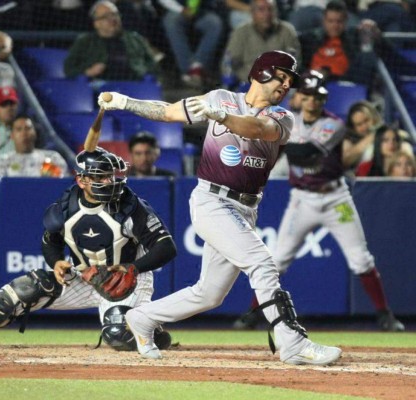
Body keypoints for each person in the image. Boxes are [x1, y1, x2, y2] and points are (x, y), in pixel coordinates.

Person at [97, 50, 343, 365]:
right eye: (281, 76)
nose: (286, 85)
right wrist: (124, 102)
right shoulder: (221, 97)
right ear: (261, 73)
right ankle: (292, 342)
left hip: (245, 207)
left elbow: (256, 129)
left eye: (289, 80)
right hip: (211, 199)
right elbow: (169, 112)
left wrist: (220, 115)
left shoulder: (283, 117)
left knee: (209, 294)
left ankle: (142, 318)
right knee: (262, 263)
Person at [0, 146, 177, 352]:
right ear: (81, 180)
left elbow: (166, 247)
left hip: (126, 280)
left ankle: (152, 331)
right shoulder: (66, 206)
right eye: (100, 177)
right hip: (86, 277)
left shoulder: (130, 206)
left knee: (118, 336)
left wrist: (132, 267)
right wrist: (57, 262)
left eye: (110, 175)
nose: (109, 181)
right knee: (30, 286)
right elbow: (51, 241)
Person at [230, 70, 405, 332]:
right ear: (300, 97)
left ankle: (385, 315)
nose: (313, 101)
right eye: (309, 95)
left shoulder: (333, 124)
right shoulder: (289, 119)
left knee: (361, 259)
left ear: (323, 99)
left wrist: (271, 134)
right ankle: (254, 312)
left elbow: (305, 153)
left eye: (318, 96)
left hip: (336, 198)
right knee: (278, 259)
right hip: (302, 199)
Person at [63, 1, 156, 81]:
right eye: (105, 16)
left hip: (134, 83)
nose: (112, 19)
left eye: (115, 14)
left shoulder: (135, 39)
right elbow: (68, 70)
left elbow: (153, 66)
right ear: (96, 23)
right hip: (99, 87)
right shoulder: (84, 42)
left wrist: (145, 73)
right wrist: (88, 72)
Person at [298, 0, 379, 85]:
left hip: (345, 86)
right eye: (330, 21)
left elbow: (384, 52)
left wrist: (376, 34)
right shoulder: (309, 39)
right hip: (312, 85)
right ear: (324, 21)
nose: (335, 26)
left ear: (345, 21)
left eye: (339, 21)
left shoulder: (354, 38)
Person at [223, 0, 301, 87]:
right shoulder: (241, 32)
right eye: (261, 9)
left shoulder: (287, 31)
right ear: (252, 12)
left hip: (278, 85)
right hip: (247, 83)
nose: (267, 14)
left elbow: (294, 62)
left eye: (270, 9)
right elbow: (229, 61)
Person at [157, 0, 225, 88]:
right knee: (171, 22)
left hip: (200, 12)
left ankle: (197, 66)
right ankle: (188, 70)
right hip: (176, 10)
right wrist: (181, 9)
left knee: (215, 23)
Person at [0, 115, 69, 177]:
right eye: (19, 129)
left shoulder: (52, 158)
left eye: (28, 128)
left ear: (35, 133)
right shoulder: (1, 161)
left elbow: (62, 186)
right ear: (12, 135)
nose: (24, 133)